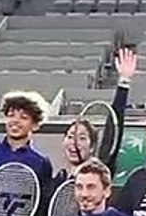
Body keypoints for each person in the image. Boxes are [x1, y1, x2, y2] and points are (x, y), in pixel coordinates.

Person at [51, 47, 135, 187]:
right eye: (70, 136)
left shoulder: (100, 172)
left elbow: (112, 132)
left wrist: (124, 82)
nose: (74, 143)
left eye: (82, 138)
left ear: (92, 147)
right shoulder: (57, 180)